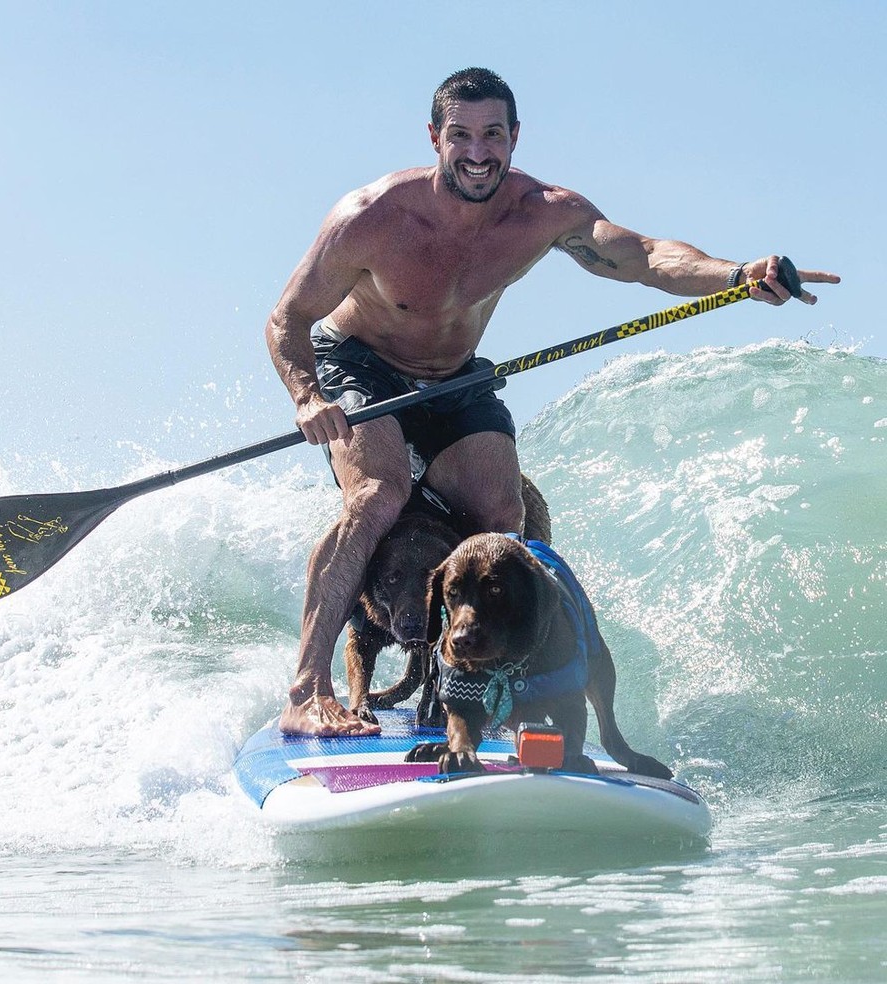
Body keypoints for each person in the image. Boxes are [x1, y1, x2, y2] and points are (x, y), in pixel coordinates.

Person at [265, 67, 840, 737]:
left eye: (492, 135)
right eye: (460, 136)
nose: (477, 153)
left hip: (453, 378)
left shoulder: (545, 212)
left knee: (502, 512)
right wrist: (307, 396)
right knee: (378, 496)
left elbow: (645, 255)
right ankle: (308, 689)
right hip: (358, 364)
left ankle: (504, 684)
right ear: (434, 137)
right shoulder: (373, 217)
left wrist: (737, 275)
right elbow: (286, 318)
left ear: (515, 137)